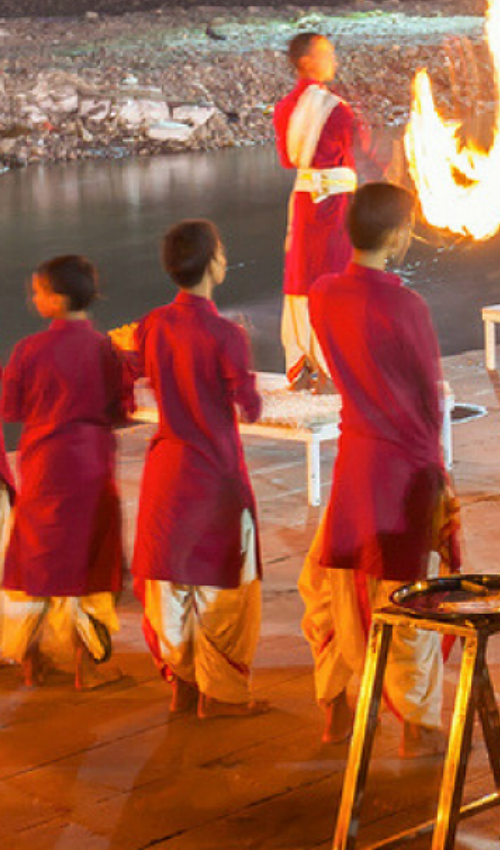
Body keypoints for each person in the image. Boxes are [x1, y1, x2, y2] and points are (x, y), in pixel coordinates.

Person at [299, 183, 459, 754]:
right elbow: (425, 396)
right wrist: (439, 473)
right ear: (397, 236)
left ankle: (338, 704)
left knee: (334, 589)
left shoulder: (322, 294)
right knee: (405, 594)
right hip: (403, 467)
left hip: (354, 462)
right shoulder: (405, 305)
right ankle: (417, 727)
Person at [131, 220, 266, 717]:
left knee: (171, 583)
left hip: (167, 469)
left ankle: (182, 682)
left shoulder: (152, 324)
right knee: (223, 590)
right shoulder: (225, 333)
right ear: (212, 264)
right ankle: (223, 693)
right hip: (215, 473)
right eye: (223, 249)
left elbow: (131, 372)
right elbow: (248, 405)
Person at [0, 255, 130, 688]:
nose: (33, 298)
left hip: (42, 470)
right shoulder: (104, 350)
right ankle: (87, 665)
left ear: (55, 300)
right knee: (90, 565)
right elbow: (121, 409)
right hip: (91, 469)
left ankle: (33, 659)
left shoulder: (28, 351)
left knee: (36, 564)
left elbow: (11, 408)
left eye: (37, 291)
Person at [273, 32, 359, 387]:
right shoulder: (334, 109)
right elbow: (356, 154)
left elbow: (286, 159)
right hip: (334, 206)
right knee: (334, 275)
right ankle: (334, 362)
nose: (333, 59)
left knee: (302, 275)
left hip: (305, 202)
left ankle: (304, 361)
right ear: (306, 61)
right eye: (326, 53)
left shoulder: (285, 108)